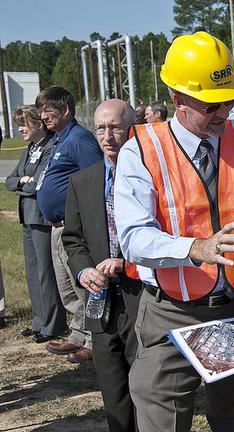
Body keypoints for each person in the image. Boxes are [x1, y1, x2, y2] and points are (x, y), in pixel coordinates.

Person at [114, 31, 234, 432]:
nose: (224, 112)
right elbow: (133, 239)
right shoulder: (142, 150)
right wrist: (195, 249)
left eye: (230, 100)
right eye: (211, 105)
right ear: (178, 99)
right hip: (169, 315)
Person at [61, 99, 140, 432]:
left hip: (142, 297)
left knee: (145, 387)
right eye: (101, 128)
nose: (108, 136)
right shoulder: (82, 181)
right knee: (113, 390)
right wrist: (84, 270)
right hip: (101, 300)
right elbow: (73, 239)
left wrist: (127, 262)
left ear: (132, 129)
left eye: (116, 127)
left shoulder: (150, 175)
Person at [36, 85, 103, 362]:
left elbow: (95, 180)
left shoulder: (79, 139)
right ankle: (78, 335)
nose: (43, 117)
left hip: (73, 227)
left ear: (65, 110)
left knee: (82, 285)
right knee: (67, 288)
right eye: (41, 111)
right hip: (57, 226)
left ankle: (94, 342)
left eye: (47, 111)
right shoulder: (59, 140)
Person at [6, 105, 67, 342]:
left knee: (45, 272)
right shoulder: (30, 149)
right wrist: (23, 180)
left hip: (41, 218)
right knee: (32, 272)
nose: (20, 129)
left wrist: (24, 183)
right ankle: (38, 321)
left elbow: (37, 185)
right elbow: (10, 181)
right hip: (27, 216)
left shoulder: (50, 147)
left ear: (39, 124)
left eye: (24, 124)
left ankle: (53, 325)